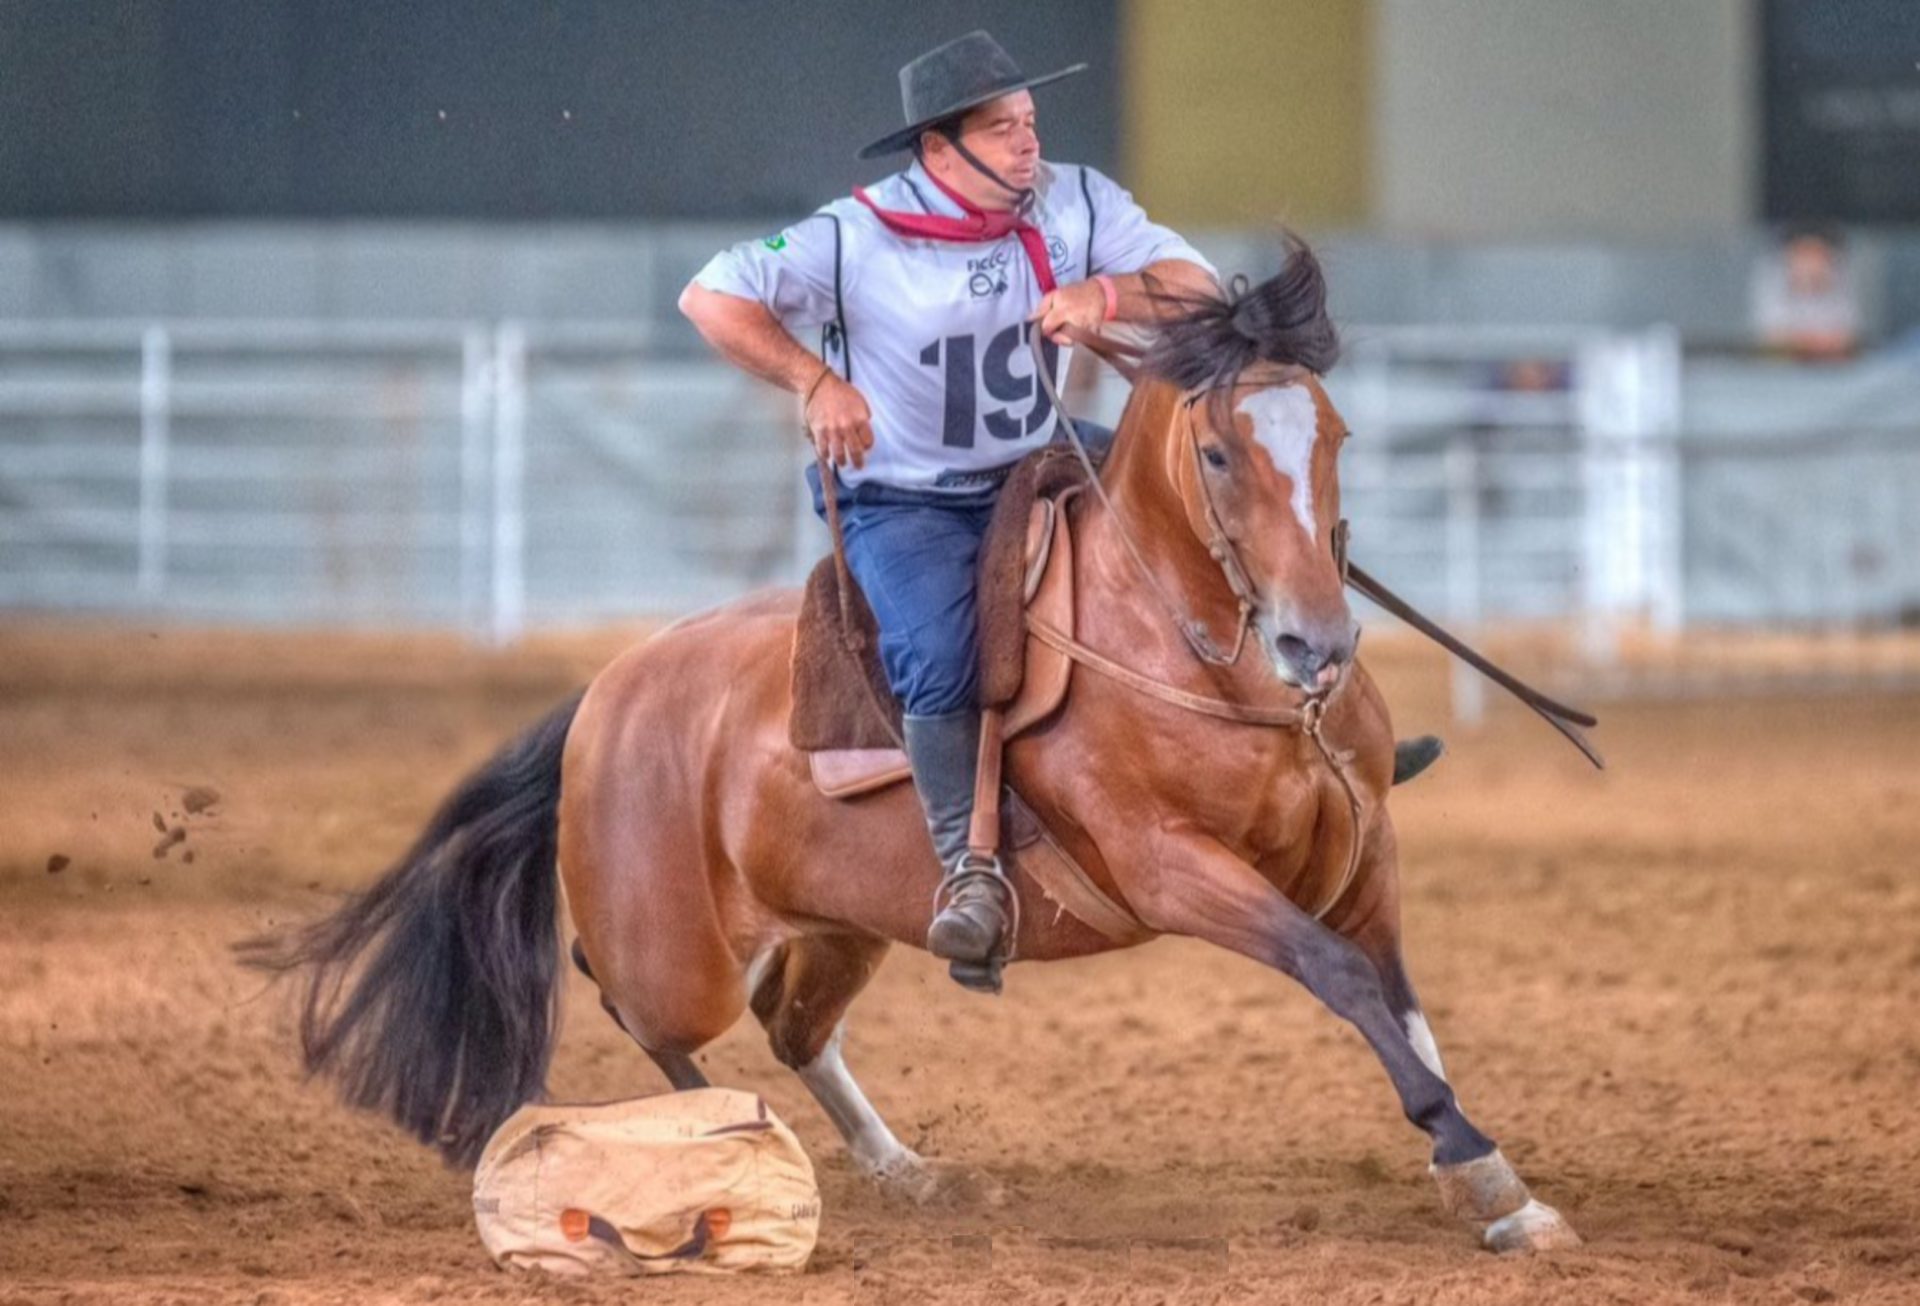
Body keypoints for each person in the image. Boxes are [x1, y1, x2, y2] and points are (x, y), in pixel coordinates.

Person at [682, 30, 1440, 987]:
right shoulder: (851, 237)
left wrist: (1104, 291)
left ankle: (1334, 752)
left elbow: (1194, 284)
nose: (1026, 143)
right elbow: (711, 296)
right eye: (1000, 131)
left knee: (1209, 537)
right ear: (937, 151)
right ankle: (969, 869)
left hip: (1037, 464)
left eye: (1029, 123)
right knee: (940, 651)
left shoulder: (1076, 201)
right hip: (905, 497)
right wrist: (814, 380)